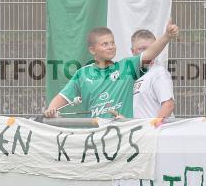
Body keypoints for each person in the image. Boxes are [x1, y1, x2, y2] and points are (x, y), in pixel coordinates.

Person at [44, 20, 179, 120]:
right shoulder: (82, 74)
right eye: (105, 44)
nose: (111, 47)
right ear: (92, 50)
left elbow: (150, 53)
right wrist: (51, 111)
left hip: (123, 137)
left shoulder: (127, 66)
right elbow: (60, 99)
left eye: (112, 43)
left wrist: (166, 36)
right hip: (95, 137)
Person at [129, 29, 175, 120]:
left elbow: (168, 105)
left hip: (154, 132)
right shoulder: (132, 76)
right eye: (141, 49)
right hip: (139, 132)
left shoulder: (159, 73)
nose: (146, 52)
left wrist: (153, 128)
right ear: (133, 51)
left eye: (151, 48)